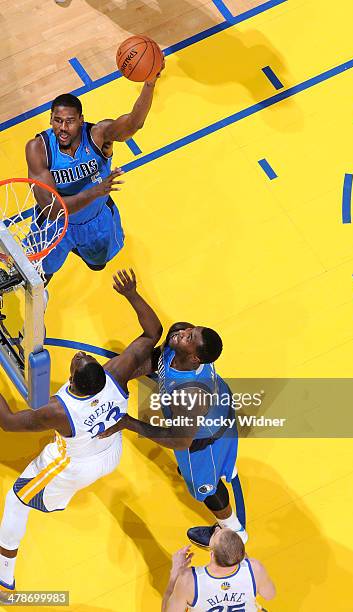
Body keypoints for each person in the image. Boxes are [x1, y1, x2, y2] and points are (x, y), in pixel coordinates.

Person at [0, 268, 162, 593]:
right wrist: (131, 294)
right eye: (85, 357)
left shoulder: (59, 412)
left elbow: (8, 422)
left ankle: (4, 575)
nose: (80, 355)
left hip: (77, 465)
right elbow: (152, 333)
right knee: (68, 451)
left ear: (74, 382)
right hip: (110, 451)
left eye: (78, 361)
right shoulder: (115, 375)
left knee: (17, 499)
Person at [99, 321, 248, 548]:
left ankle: (232, 527)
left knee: (207, 487)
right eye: (191, 331)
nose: (183, 333)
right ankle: (217, 466)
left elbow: (180, 440)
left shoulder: (189, 394)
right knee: (210, 464)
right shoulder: (177, 342)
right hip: (219, 411)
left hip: (203, 441)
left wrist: (128, 423)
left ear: (195, 358)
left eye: (189, 337)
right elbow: (159, 362)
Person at [25, 69, 163, 283]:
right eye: (57, 121)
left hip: (95, 219)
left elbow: (134, 123)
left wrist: (149, 83)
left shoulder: (100, 136)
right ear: (51, 119)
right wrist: (96, 191)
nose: (63, 128)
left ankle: (79, 247)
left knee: (97, 264)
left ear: (81, 120)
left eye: (69, 121)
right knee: (39, 277)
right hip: (56, 227)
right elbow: (53, 211)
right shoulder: (38, 148)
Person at [162, 528, 276, 611]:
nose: (216, 527)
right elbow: (270, 595)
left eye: (215, 533)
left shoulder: (189, 579)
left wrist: (175, 572)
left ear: (212, 555)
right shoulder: (255, 568)